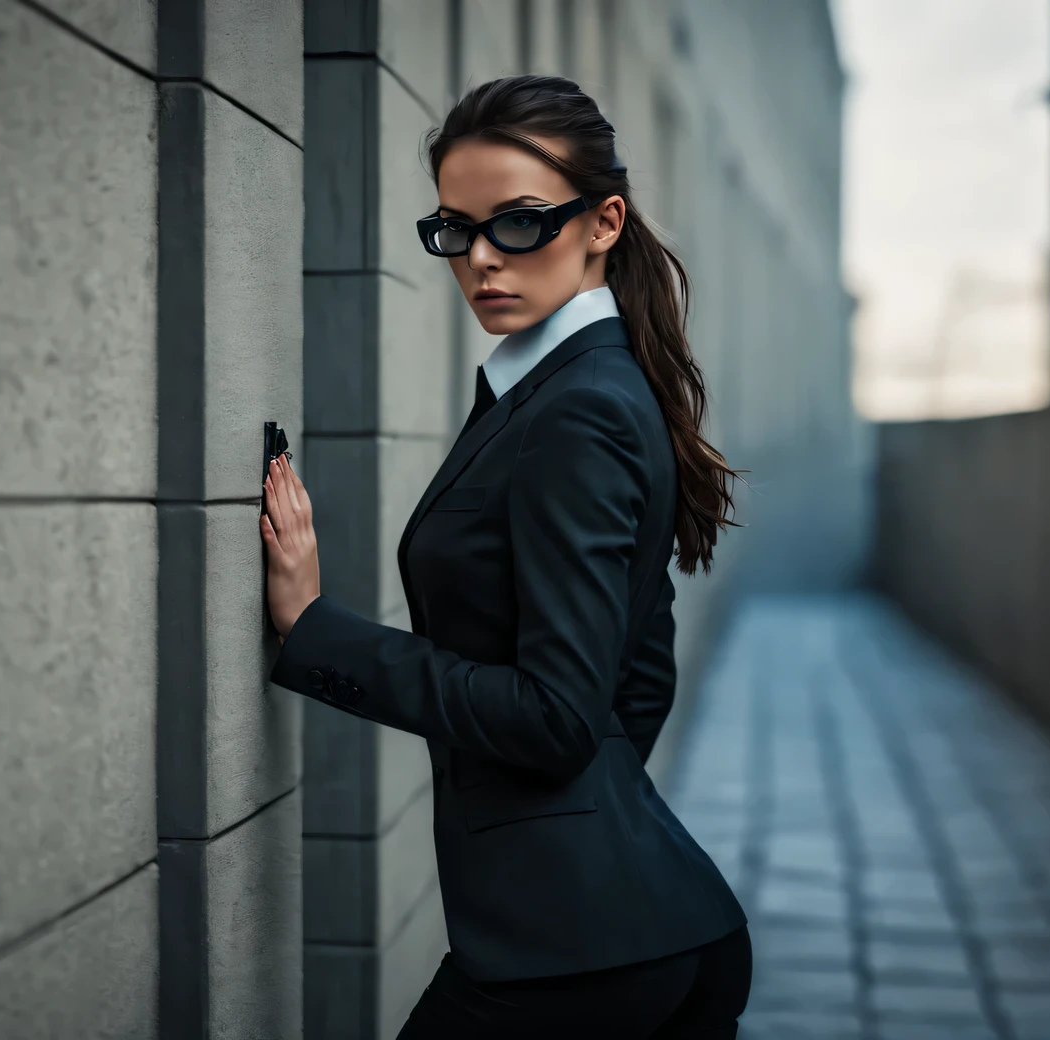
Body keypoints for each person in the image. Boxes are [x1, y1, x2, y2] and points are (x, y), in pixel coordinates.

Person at [260, 74, 751, 1038]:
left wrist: (318, 632)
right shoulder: (577, 388)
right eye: (455, 230)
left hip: (572, 960)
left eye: (520, 224)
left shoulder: (581, 408)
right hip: (632, 933)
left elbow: (561, 717)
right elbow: (639, 673)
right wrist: (575, 832)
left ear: (604, 222)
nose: (482, 258)